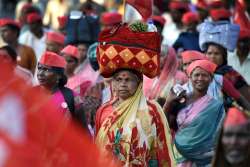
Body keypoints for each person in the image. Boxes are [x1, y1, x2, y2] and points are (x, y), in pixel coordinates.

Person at [95, 22, 176, 166]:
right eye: (118, 80)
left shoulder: (153, 110)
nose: (122, 84)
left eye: (128, 80)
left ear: (139, 84)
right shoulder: (103, 110)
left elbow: (161, 149)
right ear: (112, 83)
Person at [164, 59, 225, 166]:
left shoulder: (216, 107)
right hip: (179, 155)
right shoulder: (179, 101)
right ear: (190, 78)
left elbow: (220, 134)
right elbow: (165, 125)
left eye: (204, 75)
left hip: (206, 158)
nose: (200, 78)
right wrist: (168, 102)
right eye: (196, 75)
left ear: (211, 79)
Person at [37, 51, 82, 117]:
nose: (40, 73)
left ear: (59, 75)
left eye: (46, 70)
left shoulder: (72, 97)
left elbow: (81, 126)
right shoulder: (29, 93)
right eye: (39, 68)